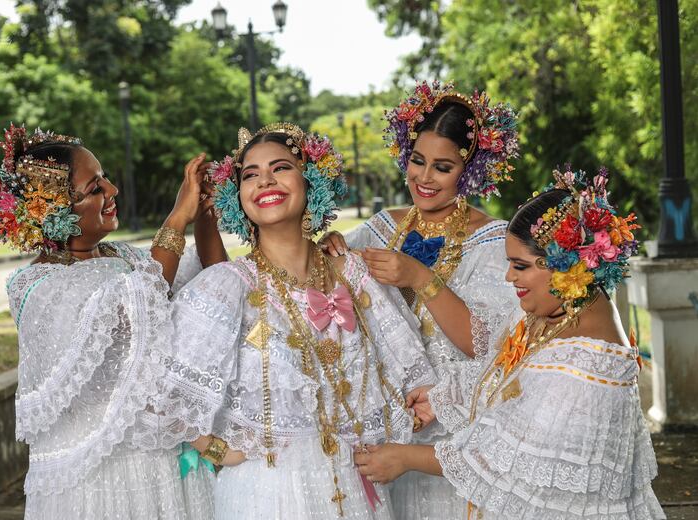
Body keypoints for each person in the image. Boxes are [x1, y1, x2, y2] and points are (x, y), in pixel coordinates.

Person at [149, 123, 437, 519]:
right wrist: (215, 448)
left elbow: (407, 369)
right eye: (250, 174)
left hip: (356, 488)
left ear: (311, 181)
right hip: (268, 494)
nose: (264, 180)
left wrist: (418, 403)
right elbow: (160, 386)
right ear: (238, 197)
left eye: (281, 167)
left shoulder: (354, 273)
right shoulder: (225, 287)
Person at [354, 166, 666, 519]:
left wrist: (405, 457)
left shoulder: (587, 366)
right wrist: (443, 398)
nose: (509, 276)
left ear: (565, 267)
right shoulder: (558, 310)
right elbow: (508, 372)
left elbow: (510, 456)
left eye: (520, 266)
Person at [0, 125, 222, 519]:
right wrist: (178, 215)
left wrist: (204, 213)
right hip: (102, 482)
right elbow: (140, 300)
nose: (112, 191)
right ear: (55, 210)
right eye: (95, 189)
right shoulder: (37, 285)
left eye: (105, 178)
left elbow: (213, 282)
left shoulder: (122, 257)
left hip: (164, 467)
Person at [320, 80, 521, 519]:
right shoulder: (377, 228)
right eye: (417, 160)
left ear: (469, 172)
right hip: (386, 431)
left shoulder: (492, 241)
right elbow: (320, 288)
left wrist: (420, 277)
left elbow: (491, 346)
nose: (424, 178)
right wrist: (330, 248)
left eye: (443, 167)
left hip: (457, 434)